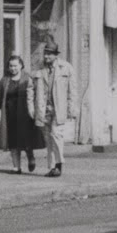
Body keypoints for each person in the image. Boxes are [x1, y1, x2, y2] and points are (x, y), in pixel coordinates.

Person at [0, 55, 44, 174]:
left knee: (26, 140)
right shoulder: (4, 81)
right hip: (10, 114)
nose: (13, 68)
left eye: (15, 66)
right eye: (10, 66)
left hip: (25, 115)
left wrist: (38, 111)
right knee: (13, 141)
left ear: (21, 65)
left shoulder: (28, 78)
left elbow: (37, 95)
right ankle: (16, 167)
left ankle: (30, 157)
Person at [34, 41, 77, 177]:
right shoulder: (39, 68)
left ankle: (59, 165)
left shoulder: (66, 68)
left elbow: (73, 90)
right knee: (48, 138)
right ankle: (52, 167)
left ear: (55, 56)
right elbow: (31, 87)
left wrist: (72, 108)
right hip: (43, 108)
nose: (46, 57)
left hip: (59, 108)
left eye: (49, 54)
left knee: (56, 135)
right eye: (45, 54)